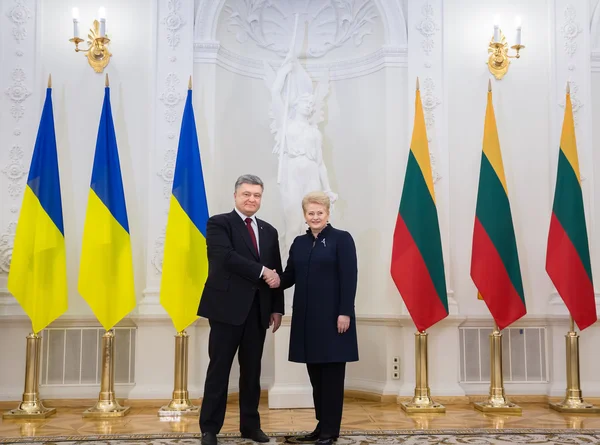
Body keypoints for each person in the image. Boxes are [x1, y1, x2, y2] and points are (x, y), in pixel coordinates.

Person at [197, 174, 284, 445]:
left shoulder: (269, 231)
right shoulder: (218, 223)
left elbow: (276, 270)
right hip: (226, 310)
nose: (251, 199)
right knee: (219, 369)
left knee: (252, 372)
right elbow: (225, 257)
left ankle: (250, 426)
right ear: (235, 196)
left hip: (258, 312)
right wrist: (261, 271)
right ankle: (209, 429)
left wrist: (277, 308)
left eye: (257, 195)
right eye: (246, 194)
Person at [279, 191, 358, 445]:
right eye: (310, 213)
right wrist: (268, 277)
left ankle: (330, 432)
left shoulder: (342, 239)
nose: (315, 217)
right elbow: (288, 276)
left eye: (319, 213)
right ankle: (321, 427)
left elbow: (350, 277)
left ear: (328, 214)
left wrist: (345, 311)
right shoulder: (299, 244)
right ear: (305, 215)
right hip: (307, 322)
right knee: (316, 378)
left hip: (335, 321)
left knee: (332, 379)